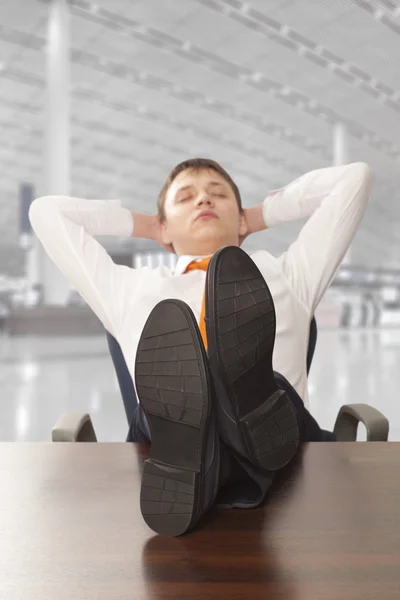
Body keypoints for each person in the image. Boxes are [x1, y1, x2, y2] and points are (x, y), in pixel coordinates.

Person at [29, 158, 372, 536]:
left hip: (280, 443)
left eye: (218, 195)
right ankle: (212, 437)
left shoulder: (289, 274)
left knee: (265, 388)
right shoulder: (127, 288)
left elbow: (353, 180)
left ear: (240, 218)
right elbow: (46, 212)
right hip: (169, 440)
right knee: (174, 401)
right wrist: (148, 226)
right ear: (164, 225)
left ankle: (222, 439)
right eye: (186, 198)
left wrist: (256, 216)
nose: (204, 202)